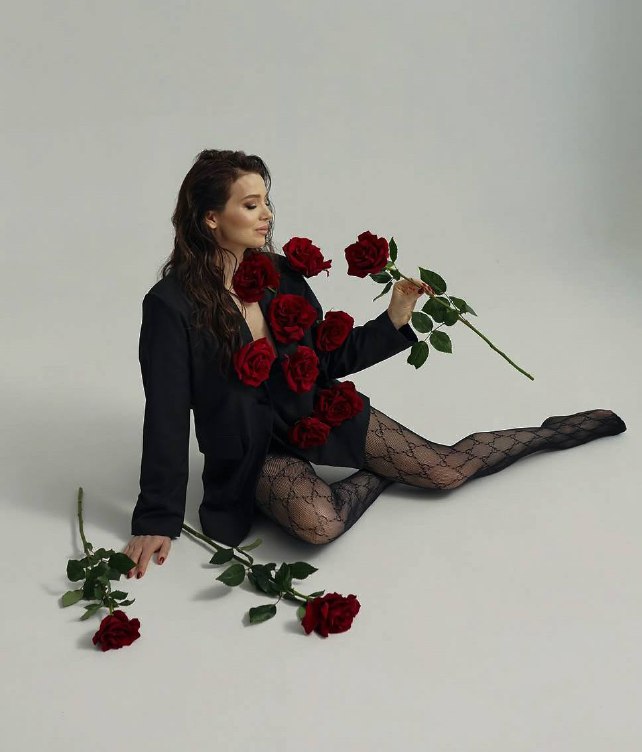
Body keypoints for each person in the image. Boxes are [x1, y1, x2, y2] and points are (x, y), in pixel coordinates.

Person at [123, 149, 627, 579]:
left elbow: (325, 358)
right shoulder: (170, 305)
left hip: (314, 413)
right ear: (211, 217)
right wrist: (156, 518)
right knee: (320, 524)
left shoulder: (280, 274)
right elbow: (166, 413)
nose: (267, 215)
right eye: (251, 205)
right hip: (250, 449)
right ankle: (381, 473)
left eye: (267, 202)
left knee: (444, 472)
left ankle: (554, 431)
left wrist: (395, 317)